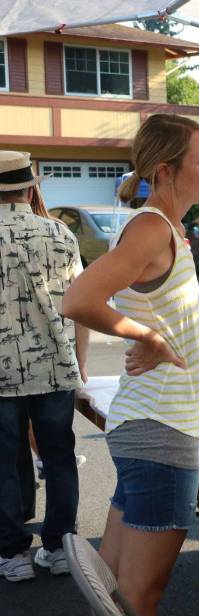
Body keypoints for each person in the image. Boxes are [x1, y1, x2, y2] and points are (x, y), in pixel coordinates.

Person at [62, 113, 199, 616]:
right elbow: (78, 300)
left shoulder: (165, 229)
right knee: (138, 592)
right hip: (161, 430)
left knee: (113, 586)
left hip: (151, 424)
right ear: (165, 170)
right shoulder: (152, 227)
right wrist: (143, 335)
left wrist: (149, 333)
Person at [0, 151, 88, 582]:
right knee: (58, 456)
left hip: (0, 371)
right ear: (30, 186)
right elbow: (82, 305)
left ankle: (12, 554)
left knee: (4, 460)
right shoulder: (60, 234)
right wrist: (81, 365)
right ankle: (59, 547)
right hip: (54, 363)